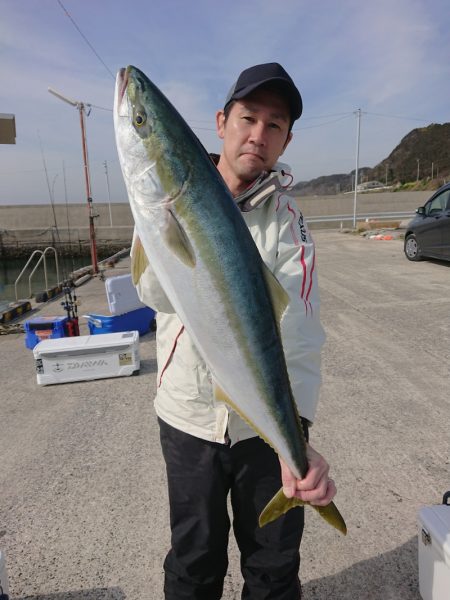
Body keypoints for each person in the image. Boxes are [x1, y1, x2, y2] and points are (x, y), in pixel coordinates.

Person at [134, 62, 337, 600]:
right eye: (248, 117)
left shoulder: (288, 223)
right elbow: (152, 293)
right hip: (188, 414)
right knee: (194, 559)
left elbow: (300, 330)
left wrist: (299, 438)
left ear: (286, 139)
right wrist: (162, 222)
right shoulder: (167, 195)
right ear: (221, 121)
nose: (258, 134)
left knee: (273, 567)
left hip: (258, 435)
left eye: (275, 125)